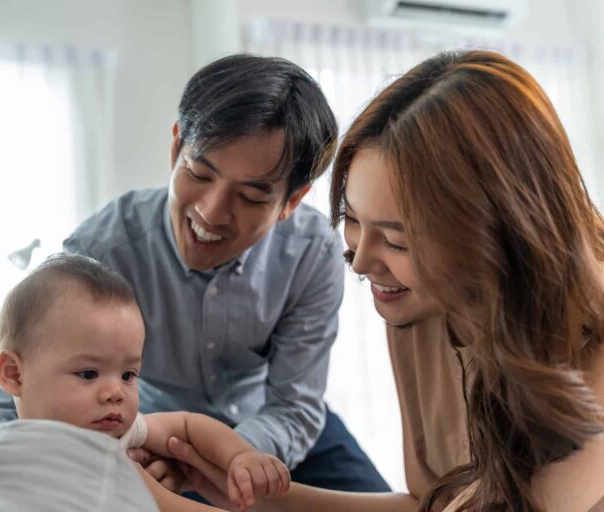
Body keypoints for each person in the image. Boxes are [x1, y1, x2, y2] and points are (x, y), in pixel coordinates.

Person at [161, 50, 604, 511]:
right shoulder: (424, 304)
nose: (359, 261)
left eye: (397, 241)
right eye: (351, 219)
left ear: (495, 233)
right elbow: (428, 504)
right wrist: (242, 493)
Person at [0, 54, 389, 494]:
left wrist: (219, 458)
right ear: (175, 149)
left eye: (250, 197)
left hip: (273, 426)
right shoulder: (102, 248)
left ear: (292, 200)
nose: (212, 213)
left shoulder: (312, 254)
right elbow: (24, 373)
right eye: (199, 173)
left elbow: (293, 405)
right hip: (153, 438)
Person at [0, 253, 291, 511]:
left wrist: (240, 457)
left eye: (129, 375)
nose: (116, 392)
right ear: (14, 374)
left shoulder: (121, 435)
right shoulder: (1, 449)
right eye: (88, 374)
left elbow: (188, 426)